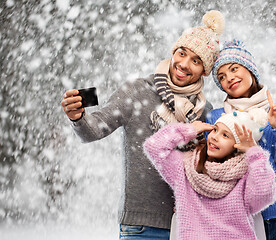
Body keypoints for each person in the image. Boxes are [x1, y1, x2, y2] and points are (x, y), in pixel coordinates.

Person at [60, 10, 225, 239]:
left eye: (196, 61)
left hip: (189, 227)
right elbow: (93, 129)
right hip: (141, 226)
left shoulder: (205, 113)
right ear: (174, 51)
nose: (184, 64)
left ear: (204, 70)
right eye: (182, 53)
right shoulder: (137, 91)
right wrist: (77, 117)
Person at [206, 39, 276, 240]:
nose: (229, 78)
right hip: (240, 224)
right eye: (222, 76)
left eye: (234, 69)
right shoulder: (216, 119)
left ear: (250, 70)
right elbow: (210, 173)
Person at [143, 110, 276, 240]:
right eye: (215, 129)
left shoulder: (247, 176)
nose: (214, 137)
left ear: (238, 146)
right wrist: (189, 129)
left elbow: (264, 196)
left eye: (225, 135)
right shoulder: (185, 167)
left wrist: (254, 153)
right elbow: (154, 147)